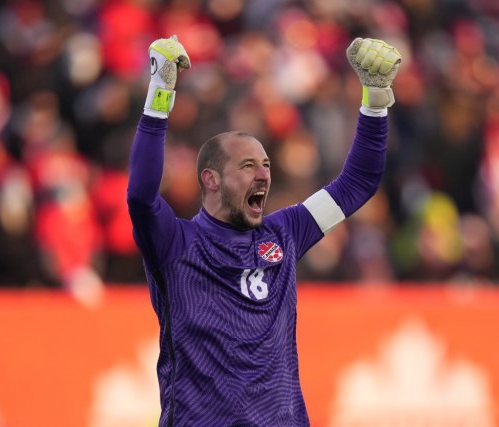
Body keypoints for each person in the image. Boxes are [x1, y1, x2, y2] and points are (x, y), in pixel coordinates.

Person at [127, 35, 401, 426]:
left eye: (267, 164)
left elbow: (358, 182)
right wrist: (160, 93)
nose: (264, 175)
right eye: (248, 166)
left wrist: (375, 100)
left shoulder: (285, 233)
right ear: (212, 180)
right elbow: (140, 196)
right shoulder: (175, 244)